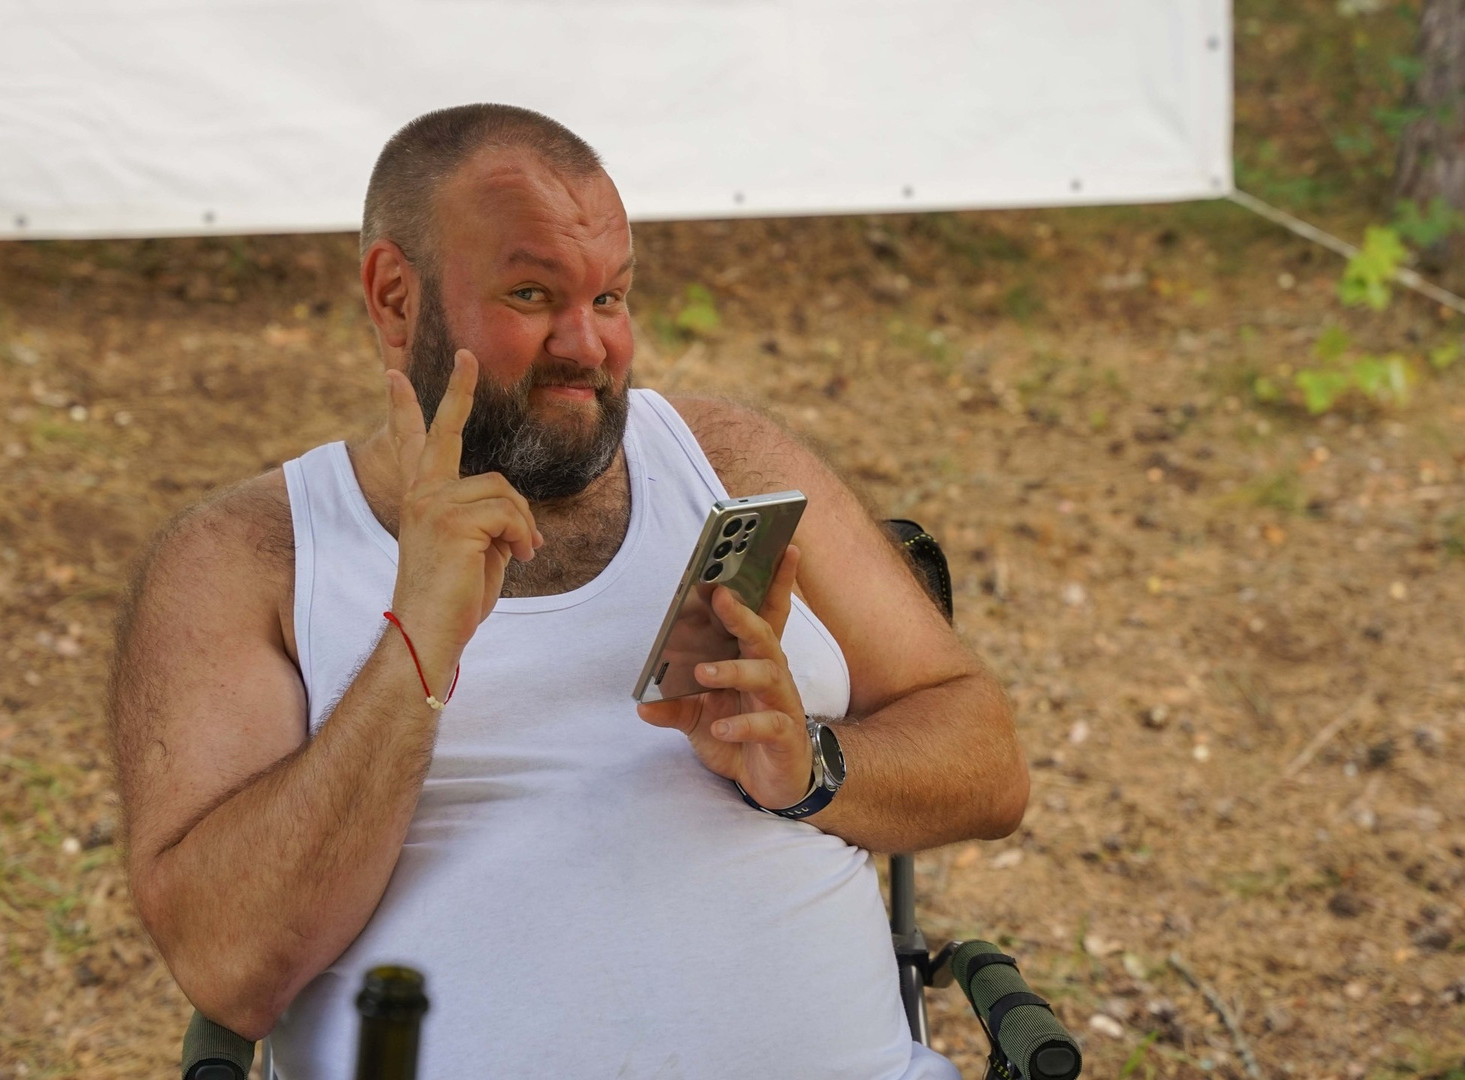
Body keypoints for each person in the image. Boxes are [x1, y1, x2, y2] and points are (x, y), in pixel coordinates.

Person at [108, 103, 1028, 1079]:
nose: (589, 345)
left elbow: (988, 764)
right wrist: (416, 647)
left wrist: (810, 767)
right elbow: (231, 968)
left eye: (612, 297)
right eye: (533, 293)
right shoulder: (252, 554)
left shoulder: (729, 461)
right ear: (395, 299)